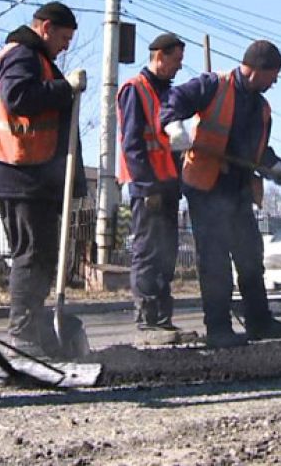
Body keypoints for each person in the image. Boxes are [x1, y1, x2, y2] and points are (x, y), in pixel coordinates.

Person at [0, 1, 87, 356]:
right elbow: (18, 97)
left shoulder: (38, 59)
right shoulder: (22, 54)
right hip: (17, 169)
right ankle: (24, 336)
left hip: (29, 171)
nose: (65, 46)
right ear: (45, 28)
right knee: (33, 252)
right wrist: (67, 90)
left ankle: (37, 332)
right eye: (63, 38)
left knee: (41, 252)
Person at [161, 40, 281, 348]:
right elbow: (173, 99)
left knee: (251, 255)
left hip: (237, 190)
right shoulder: (214, 85)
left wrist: (276, 168)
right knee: (215, 260)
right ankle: (218, 328)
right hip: (206, 188)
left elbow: (258, 150)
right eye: (273, 75)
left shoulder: (261, 107)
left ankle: (259, 321)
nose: (275, 82)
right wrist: (173, 127)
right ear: (256, 70)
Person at [117, 32, 196, 345]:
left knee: (166, 254)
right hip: (148, 188)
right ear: (160, 56)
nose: (178, 68)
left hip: (167, 186)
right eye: (176, 60)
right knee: (149, 253)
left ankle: (163, 320)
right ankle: (149, 320)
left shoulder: (168, 93)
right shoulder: (135, 90)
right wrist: (147, 186)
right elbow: (132, 143)